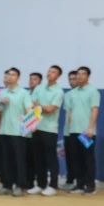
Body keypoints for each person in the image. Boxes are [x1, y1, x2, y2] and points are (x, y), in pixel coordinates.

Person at [0, 67, 33, 197]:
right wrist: (0, 102)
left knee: (19, 160)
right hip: (4, 131)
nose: (10, 77)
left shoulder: (24, 93)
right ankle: (7, 184)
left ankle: (20, 185)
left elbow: (30, 110)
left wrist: (30, 127)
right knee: (5, 160)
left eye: (13, 75)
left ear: (18, 77)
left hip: (19, 132)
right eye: (8, 75)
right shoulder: (2, 92)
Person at [63, 66, 101, 194]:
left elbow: (94, 110)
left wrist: (90, 128)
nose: (79, 76)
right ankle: (79, 185)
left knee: (88, 159)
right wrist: (68, 130)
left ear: (88, 76)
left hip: (86, 132)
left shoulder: (93, 91)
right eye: (78, 74)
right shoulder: (72, 93)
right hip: (73, 131)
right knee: (76, 159)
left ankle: (90, 185)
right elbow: (69, 113)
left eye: (83, 74)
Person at [31, 65, 64, 196]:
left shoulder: (58, 92)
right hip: (36, 127)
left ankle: (53, 185)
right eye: (49, 71)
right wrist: (39, 108)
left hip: (50, 129)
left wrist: (39, 106)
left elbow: (50, 109)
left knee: (51, 158)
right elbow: (32, 105)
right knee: (38, 158)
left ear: (58, 76)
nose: (50, 73)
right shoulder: (39, 88)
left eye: (53, 72)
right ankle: (41, 184)